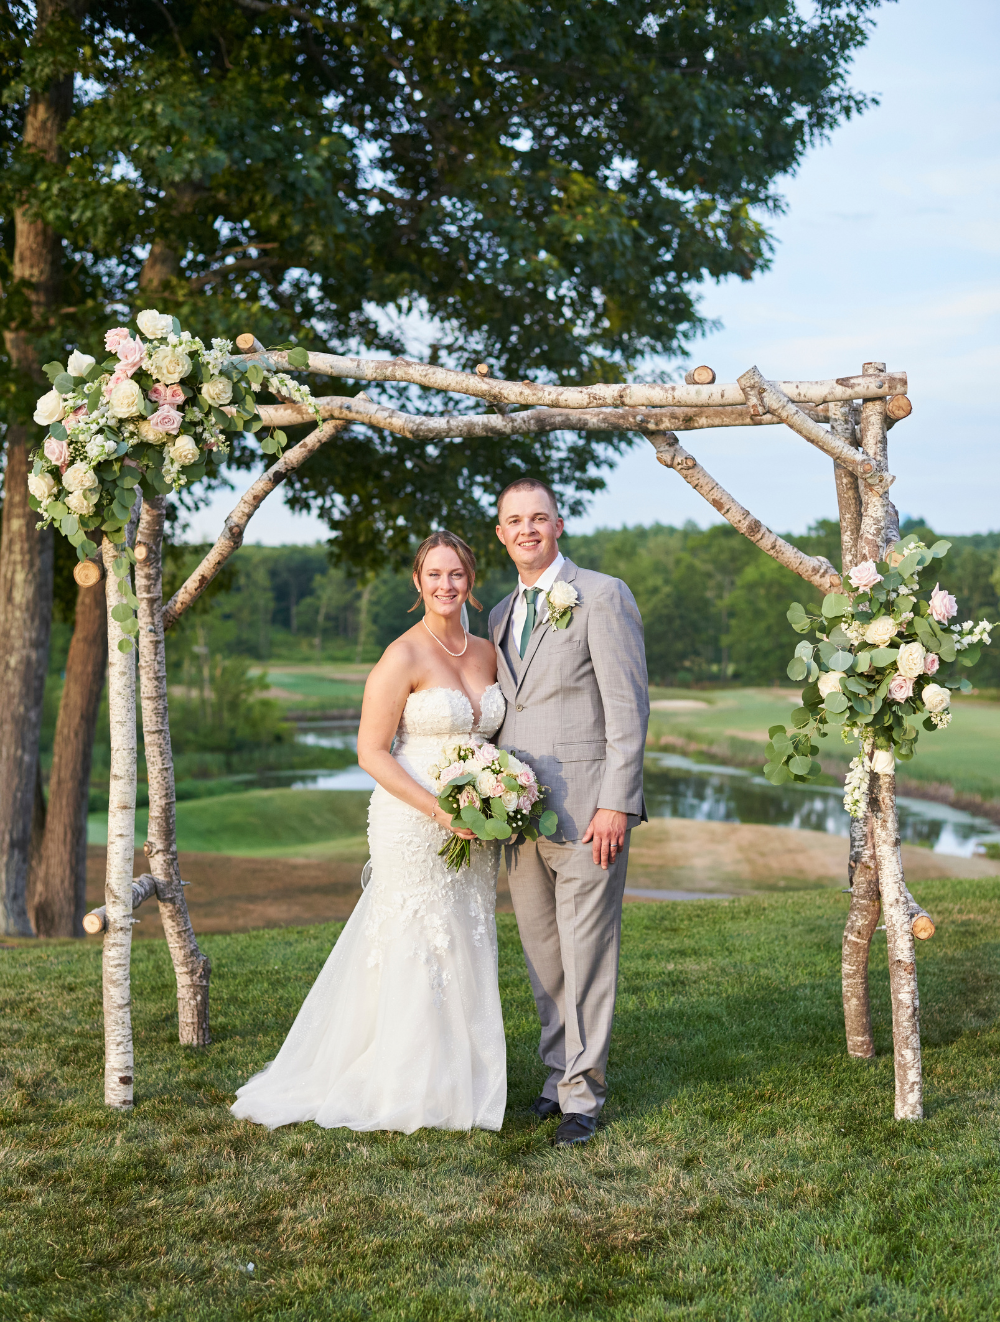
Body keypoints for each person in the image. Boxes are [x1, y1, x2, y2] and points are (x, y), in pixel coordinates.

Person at [231, 531, 507, 1133]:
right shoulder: (402, 655)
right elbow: (370, 751)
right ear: (417, 583)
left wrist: (496, 799)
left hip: (475, 822)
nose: (445, 585)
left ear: (471, 579)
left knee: (464, 934)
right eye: (434, 575)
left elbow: (492, 736)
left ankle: (459, 1082)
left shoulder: (488, 652)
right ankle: (399, 1083)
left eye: (456, 574)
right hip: (414, 818)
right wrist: (440, 810)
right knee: (413, 935)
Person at [489, 478, 648, 1147]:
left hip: (588, 813)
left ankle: (584, 1097)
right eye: (513, 520)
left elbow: (628, 709)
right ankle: (556, 1080)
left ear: (560, 524)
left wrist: (617, 802)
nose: (526, 529)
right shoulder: (498, 613)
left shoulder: (602, 595)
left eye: (538, 518)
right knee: (543, 957)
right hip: (519, 820)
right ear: (500, 534)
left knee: (586, 955)